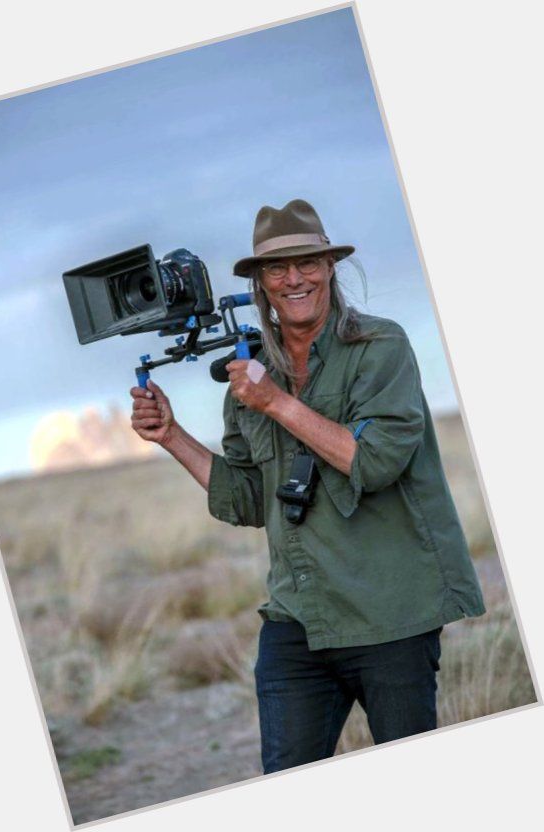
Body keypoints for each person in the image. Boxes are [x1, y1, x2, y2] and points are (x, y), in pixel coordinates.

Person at [129, 198, 486, 774]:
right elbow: (248, 500)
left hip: (389, 613)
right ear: (260, 283)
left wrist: (275, 401)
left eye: (307, 263)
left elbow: (374, 463)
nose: (294, 279)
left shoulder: (380, 347)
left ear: (330, 267)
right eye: (277, 268)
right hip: (298, 620)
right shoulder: (248, 380)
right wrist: (172, 436)